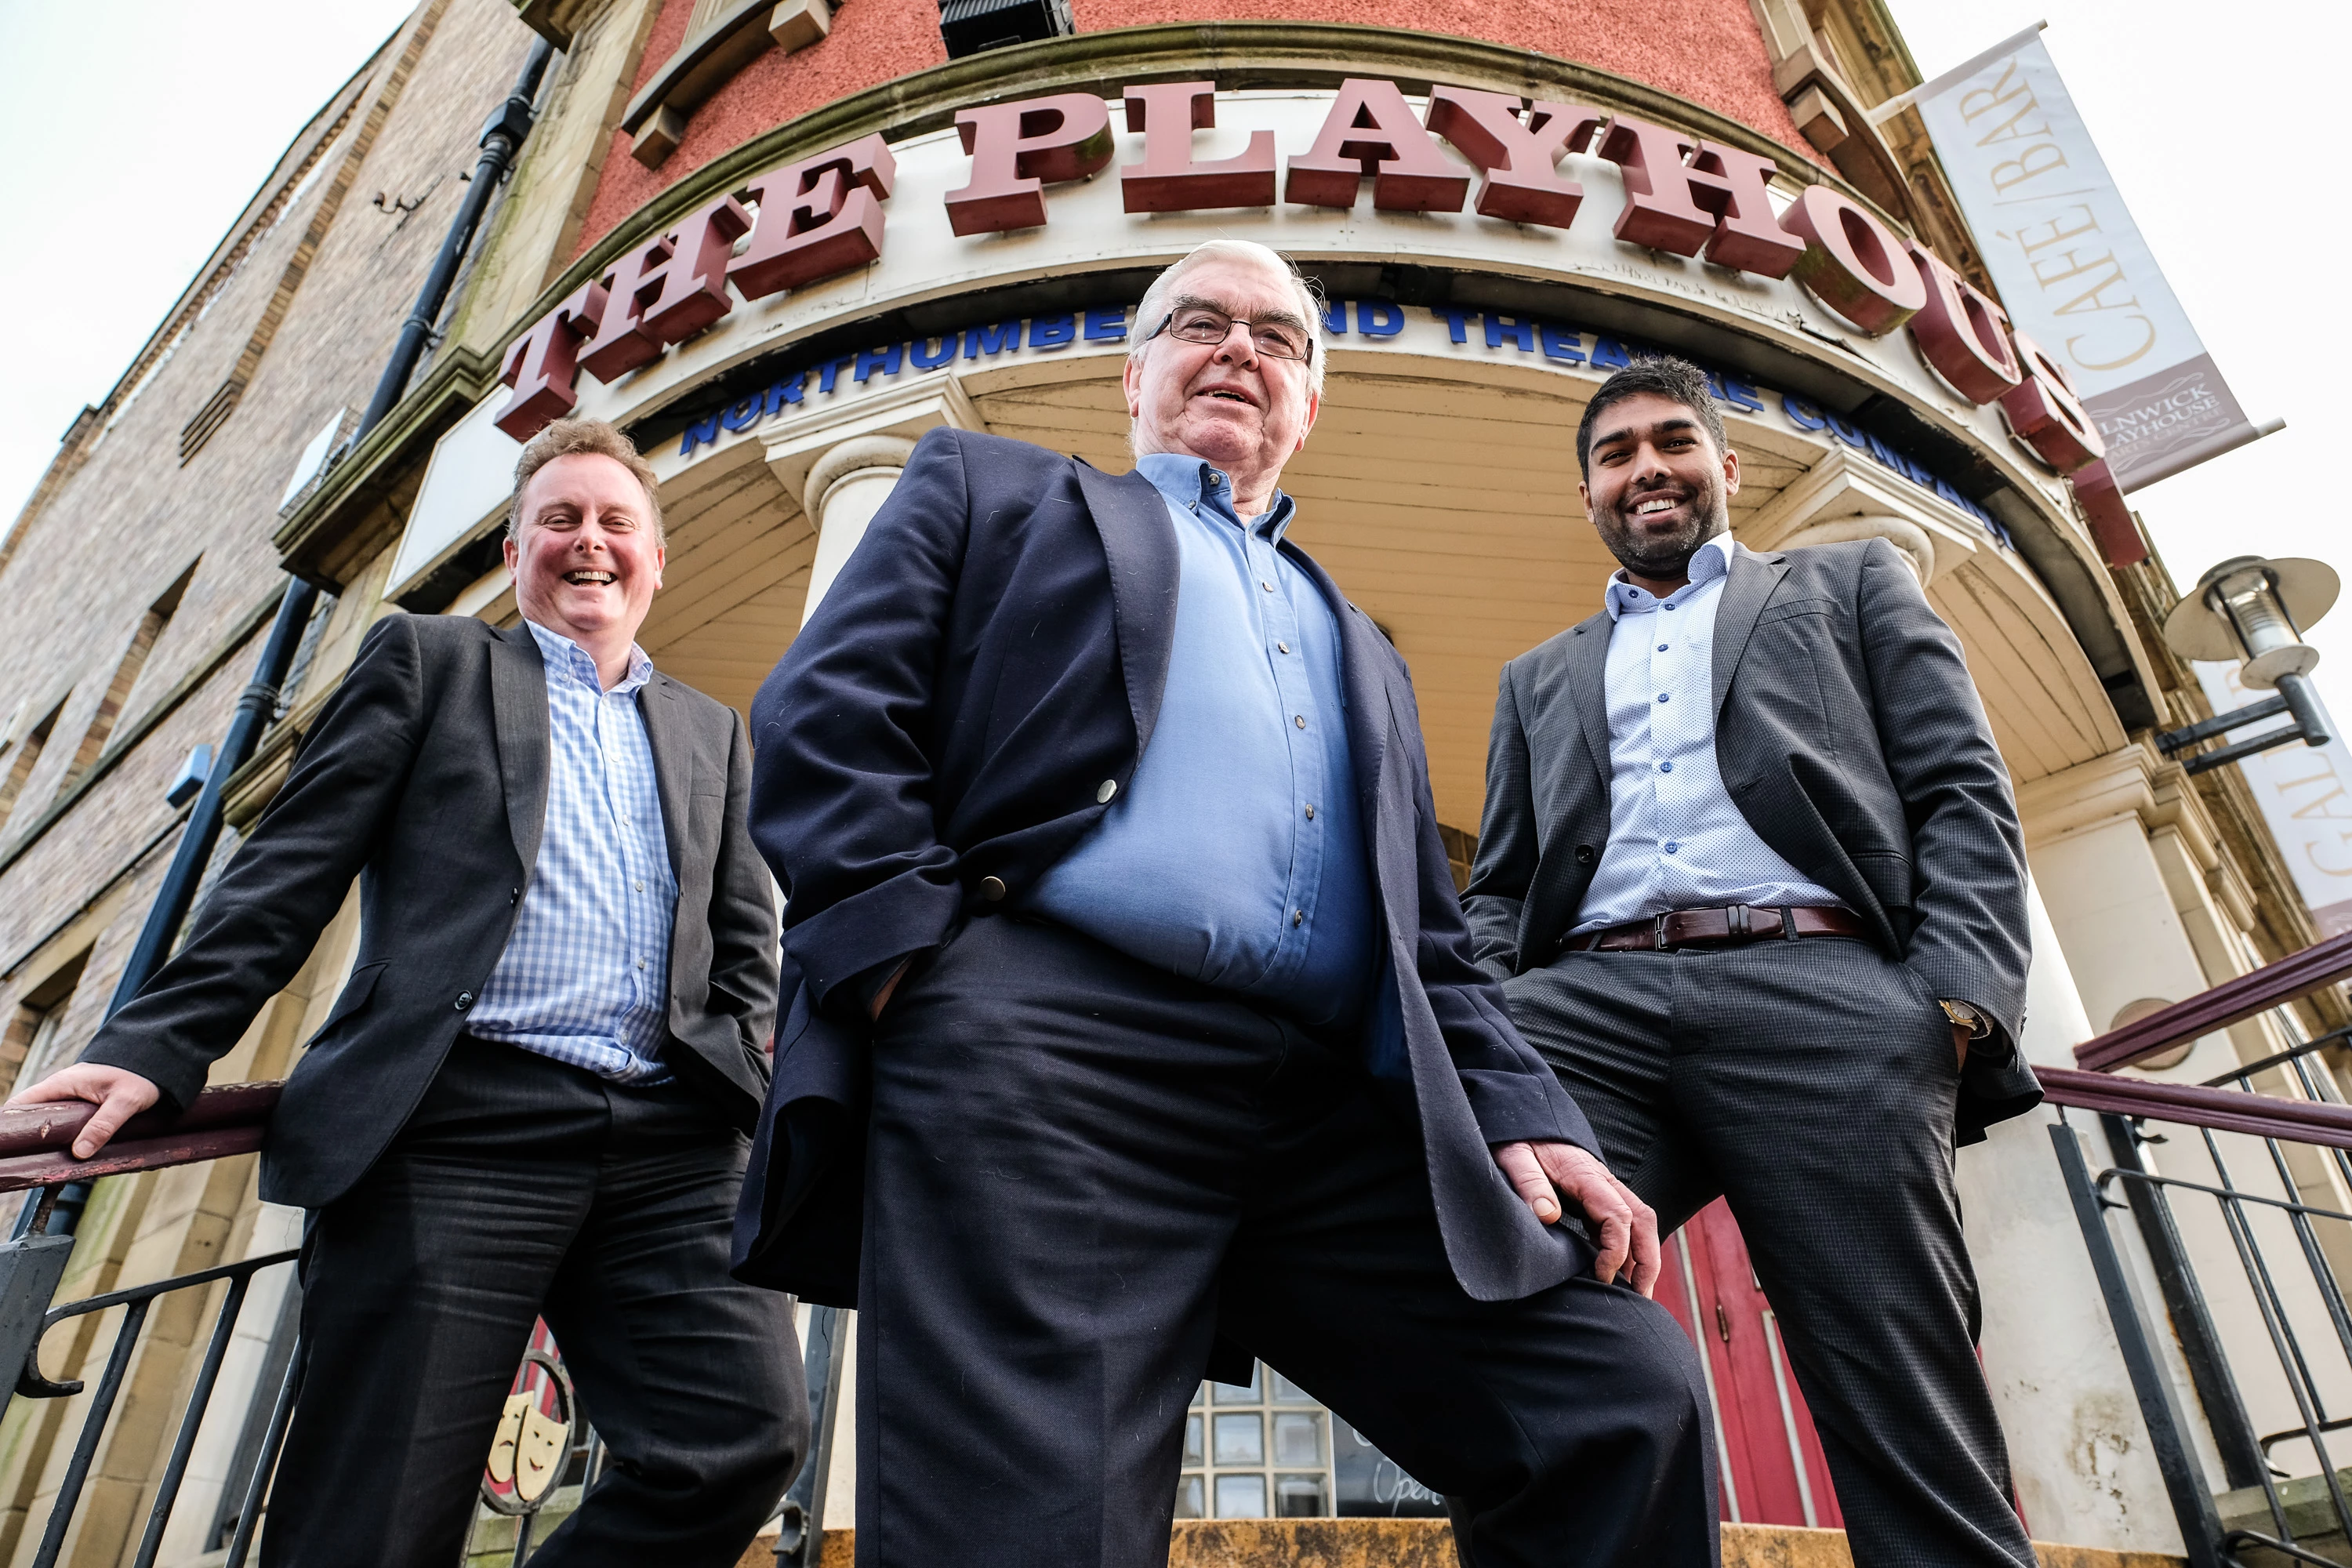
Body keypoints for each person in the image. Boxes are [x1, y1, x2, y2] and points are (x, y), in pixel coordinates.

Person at [735, 239, 1716, 1567]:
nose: (1239, 348)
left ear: (1309, 406)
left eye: (1278, 338)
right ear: (1134, 377)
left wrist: (1530, 1113)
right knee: (1039, 1532)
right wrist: (923, 976)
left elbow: (1431, 939)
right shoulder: (995, 488)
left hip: (1329, 1109)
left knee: (1615, 1401)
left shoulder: (1360, 640)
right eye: (1199, 321)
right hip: (1045, 1054)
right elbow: (828, 716)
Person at [13, 419, 803, 1567]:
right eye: (560, 520)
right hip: (460, 1129)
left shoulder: (708, 731)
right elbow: (287, 871)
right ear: (515, 547)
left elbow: (744, 943)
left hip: (670, 1147)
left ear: (656, 559)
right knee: (379, 1515)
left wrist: (750, 1078)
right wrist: (154, 1046)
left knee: (739, 1442)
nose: (589, 543)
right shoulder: (432, 663)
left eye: (616, 523)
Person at [1466, 354, 2042, 1567]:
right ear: (1590, 496)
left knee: (1897, 1379)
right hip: (1588, 1007)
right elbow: (1503, 883)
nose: (1647, 470)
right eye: (1616, 456)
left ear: (1725, 465)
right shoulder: (1538, 677)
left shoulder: (1846, 585)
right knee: (1511, 1292)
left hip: (1822, 991)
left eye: (1672, 442)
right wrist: (1502, 1021)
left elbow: (1961, 791)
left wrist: (1951, 1005)